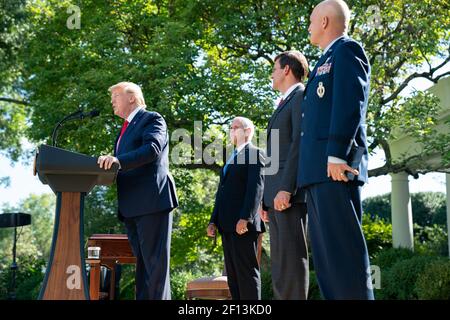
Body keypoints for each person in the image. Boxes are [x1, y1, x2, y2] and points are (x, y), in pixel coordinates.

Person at [297, 0, 374, 299]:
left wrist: (337, 153)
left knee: (344, 255)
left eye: (312, 20)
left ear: (326, 22)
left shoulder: (347, 51)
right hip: (316, 172)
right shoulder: (322, 61)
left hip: (335, 168)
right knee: (328, 262)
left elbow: (350, 103)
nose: (309, 26)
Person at [97, 81, 178, 300]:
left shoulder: (152, 119)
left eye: (116, 95)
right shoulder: (122, 131)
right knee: (143, 268)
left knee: (155, 267)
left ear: (132, 97)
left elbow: (151, 149)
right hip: (132, 206)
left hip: (152, 201)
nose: (112, 101)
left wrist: (117, 161)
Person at [260, 51, 309, 300]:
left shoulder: (301, 96)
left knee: (291, 261)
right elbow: (274, 152)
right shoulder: (284, 102)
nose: (272, 74)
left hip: (288, 195)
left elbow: (298, 146)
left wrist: (285, 188)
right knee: (280, 265)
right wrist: (265, 199)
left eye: (274, 69)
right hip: (275, 196)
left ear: (287, 70)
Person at [207, 117, 265, 300]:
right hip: (226, 224)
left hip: (243, 224)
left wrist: (245, 218)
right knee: (233, 276)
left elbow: (256, 188)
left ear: (247, 131)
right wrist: (213, 220)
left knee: (246, 273)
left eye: (235, 127)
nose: (232, 131)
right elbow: (221, 192)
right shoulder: (230, 157)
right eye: (230, 128)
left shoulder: (255, 153)